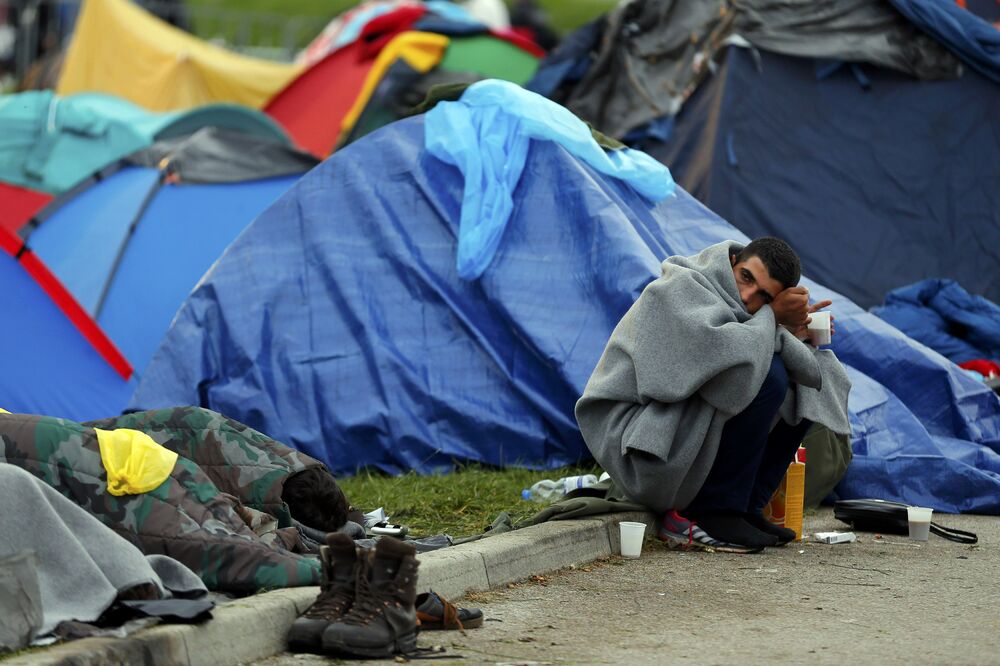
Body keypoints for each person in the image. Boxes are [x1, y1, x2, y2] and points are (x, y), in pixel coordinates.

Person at [575, 237, 851, 552]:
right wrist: (772, 318)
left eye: (764, 297)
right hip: (636, 442)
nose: (747, 295)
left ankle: (747, 507)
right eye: (746, 277)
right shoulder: (678, 287)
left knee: (803, 382)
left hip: (671, 425)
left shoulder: (742, 307)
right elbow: (679, 380)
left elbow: (742, 343)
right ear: (733, 261)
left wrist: (790, 331)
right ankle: (713, 511)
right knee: (767, 375)